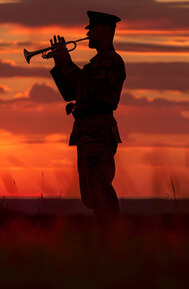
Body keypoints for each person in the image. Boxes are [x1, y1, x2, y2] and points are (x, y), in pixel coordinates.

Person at [49, 11, 126, 225]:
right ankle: (105, 233)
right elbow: (71, 92)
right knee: (90, 194)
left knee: (100, 190)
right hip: (87, 133)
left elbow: (89, 90)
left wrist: (68, 63)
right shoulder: (96, 64)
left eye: (92, 29)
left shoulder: (111, 61)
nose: (89, 33)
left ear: (104, 30)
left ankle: (111, 235)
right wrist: (60, 64)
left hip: (98, 133)